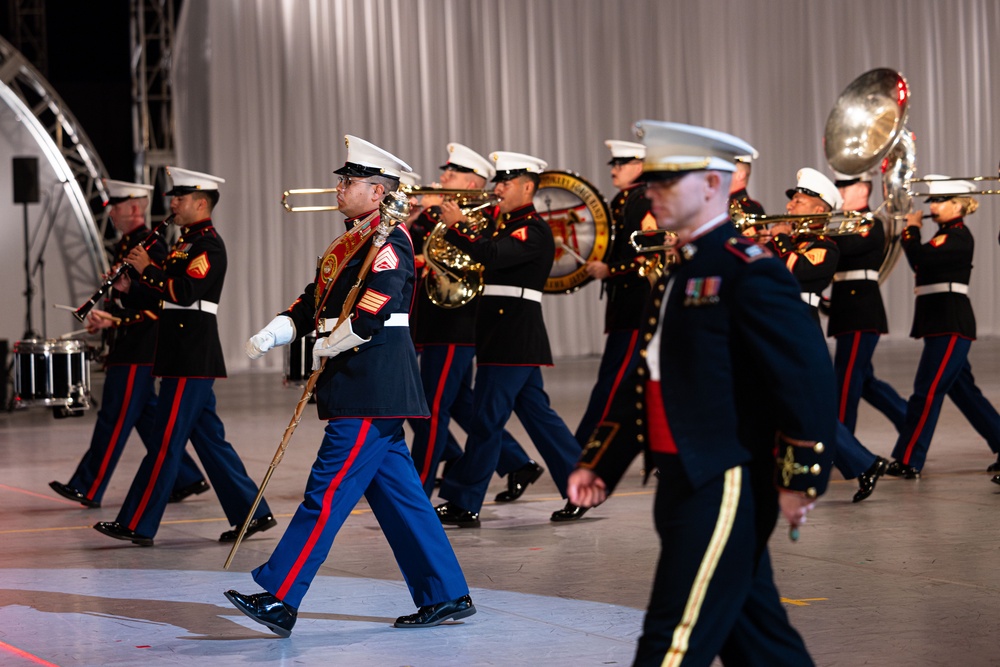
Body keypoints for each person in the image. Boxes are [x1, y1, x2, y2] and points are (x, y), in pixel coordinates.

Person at [568, 120, 836, 666]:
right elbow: (651, 374)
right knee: (760, 642)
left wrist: (799, 478)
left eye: (669, 182)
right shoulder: (679, 268)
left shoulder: (748, 270)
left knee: (671, 643)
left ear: (713, 185)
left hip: (725, 480)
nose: (652, 193)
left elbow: (805, 377)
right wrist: (601, 460)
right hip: (683, 475)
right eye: (652, 182)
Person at [226, 136, 474, 638]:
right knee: (402, 499)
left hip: (371, 386)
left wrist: (335, 342)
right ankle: (446, 593)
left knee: (327, 493)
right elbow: (313, 299)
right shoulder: (351, 242)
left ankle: (280, 596)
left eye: (349, 181)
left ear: (379, 192)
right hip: (362, 386)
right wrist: (279, 330)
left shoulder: (391, 241)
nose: (338, 188)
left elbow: (375, 307)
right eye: (342, 180)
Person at [92, 167, 275, 546]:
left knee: (165, 442)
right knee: (209, 441)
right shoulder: (183, 244)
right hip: (180, 354)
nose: (172, 202)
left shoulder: (209, 245)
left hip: (191, 355)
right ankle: (252, 514)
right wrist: (132, 284)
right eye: (173, 196)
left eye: (180, 197)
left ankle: (137, 523)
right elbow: (163, 295)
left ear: (201, 203)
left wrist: (149, 269)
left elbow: (186, 292)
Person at [434, 151, 585, 527]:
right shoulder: (506, 224)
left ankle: (464, 501)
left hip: (513, 336)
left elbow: (491, 255)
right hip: (503, 335)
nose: (498, 188)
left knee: (486, 420)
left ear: (528, 187)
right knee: (540, 419)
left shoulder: (532, 229)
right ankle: (583, 488)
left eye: (506, 182)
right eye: (498, 181)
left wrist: (458, 227)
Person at [49, 180, 208, 509]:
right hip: (129, 343)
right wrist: (107, 316)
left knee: (115, 416)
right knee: (146, 417)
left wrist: (118, 314)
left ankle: (88, 486)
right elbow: (129, 295)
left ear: (135, 208)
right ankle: (187, 477)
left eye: (117, 207)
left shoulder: (151, 247)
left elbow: (157, 298)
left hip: (142, 345)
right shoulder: (128, 245)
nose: (112, 214)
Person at [407, 143, 541, 500]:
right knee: (460, 403)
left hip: (457, 321)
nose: (442, 179)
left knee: (432, 407)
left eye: (451, 174)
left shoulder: (479, 217)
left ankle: (417, 487)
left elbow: (475, 260)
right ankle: (516, 462)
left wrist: (436, 218)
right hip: (437, 320)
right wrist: (412, 219)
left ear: (470, 183)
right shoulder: (445, 215)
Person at [769, 168, 888, 502]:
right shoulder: (790, 242)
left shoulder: (825, 246)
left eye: (799, 200)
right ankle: (864, 463)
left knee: (803, 410)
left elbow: (800, 273)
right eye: (792, 199)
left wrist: (777, 240)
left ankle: (864, 463)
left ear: (820, 210)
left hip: (798, 329)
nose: (791, 205)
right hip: (777, 326)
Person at [886, 176, 1000, 479]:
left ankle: (909, 459)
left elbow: (921, 261)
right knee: (965, 393)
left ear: (956, 205)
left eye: (938, 202)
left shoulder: (959, 236)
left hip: (950, 322)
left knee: (926, 392)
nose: (932, 207)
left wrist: (910, 230)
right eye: (932, 202)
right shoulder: (944, 235)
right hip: (940, 321)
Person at [573, 140, 655, 448]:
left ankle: (581, 446)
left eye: (621, 165)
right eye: (614, 165)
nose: (615, 170)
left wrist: (611, 270)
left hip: (638, 305)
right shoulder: (625, 200)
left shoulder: (642, 201)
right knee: (632, 383)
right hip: (625, 305)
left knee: (614, 382)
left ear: (640, 167)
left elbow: (651, 256)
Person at [828, 170, 906, 435]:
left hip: (860, 309)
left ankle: (843, 443)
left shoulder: (869, 222)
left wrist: (817, 232)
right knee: (864, 381)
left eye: (844, 187)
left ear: (862, 189)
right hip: (847, 308)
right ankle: (908, 419)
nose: (839, 193)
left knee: (847, 381)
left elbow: (845, 249)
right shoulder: (843, 223)